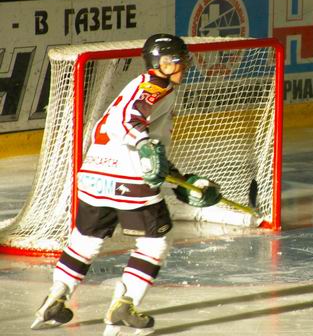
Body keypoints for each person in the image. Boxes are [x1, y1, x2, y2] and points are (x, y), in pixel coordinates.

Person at [31, 34, 222, 335]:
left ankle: (56, 296)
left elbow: (131, 134)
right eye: (177, 60)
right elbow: (125, 122)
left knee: (85, 239)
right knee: (155, 242)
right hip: (128, 178)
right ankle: (125, 303)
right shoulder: (156, 87)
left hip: (94, 174)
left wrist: (178, 178)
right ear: (160, 63)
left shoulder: (143, 83)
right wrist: (144, 144)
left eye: (183, 59)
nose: (183, 64)